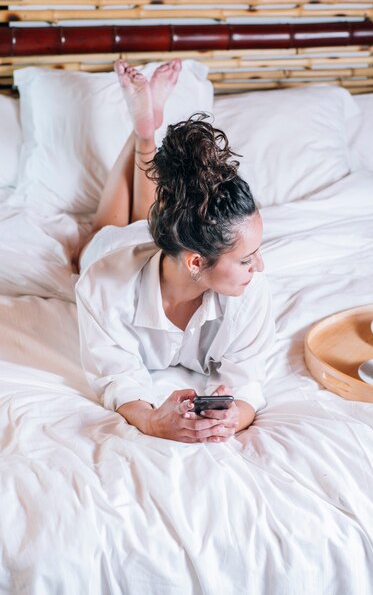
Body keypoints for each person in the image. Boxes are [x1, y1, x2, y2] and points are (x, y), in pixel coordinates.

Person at [75, 58, 275, 444]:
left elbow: (248, 378)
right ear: (198, 262)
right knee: (105, 227)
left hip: (172, 241)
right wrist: (150, 421)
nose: (259, 267)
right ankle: (142, 134)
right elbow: (115, 377)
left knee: (163, 207)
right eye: (247, 259)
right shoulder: (102, 285)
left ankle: (146, 133)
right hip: (117, 246)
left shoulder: (251, 290)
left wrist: (236, 416)